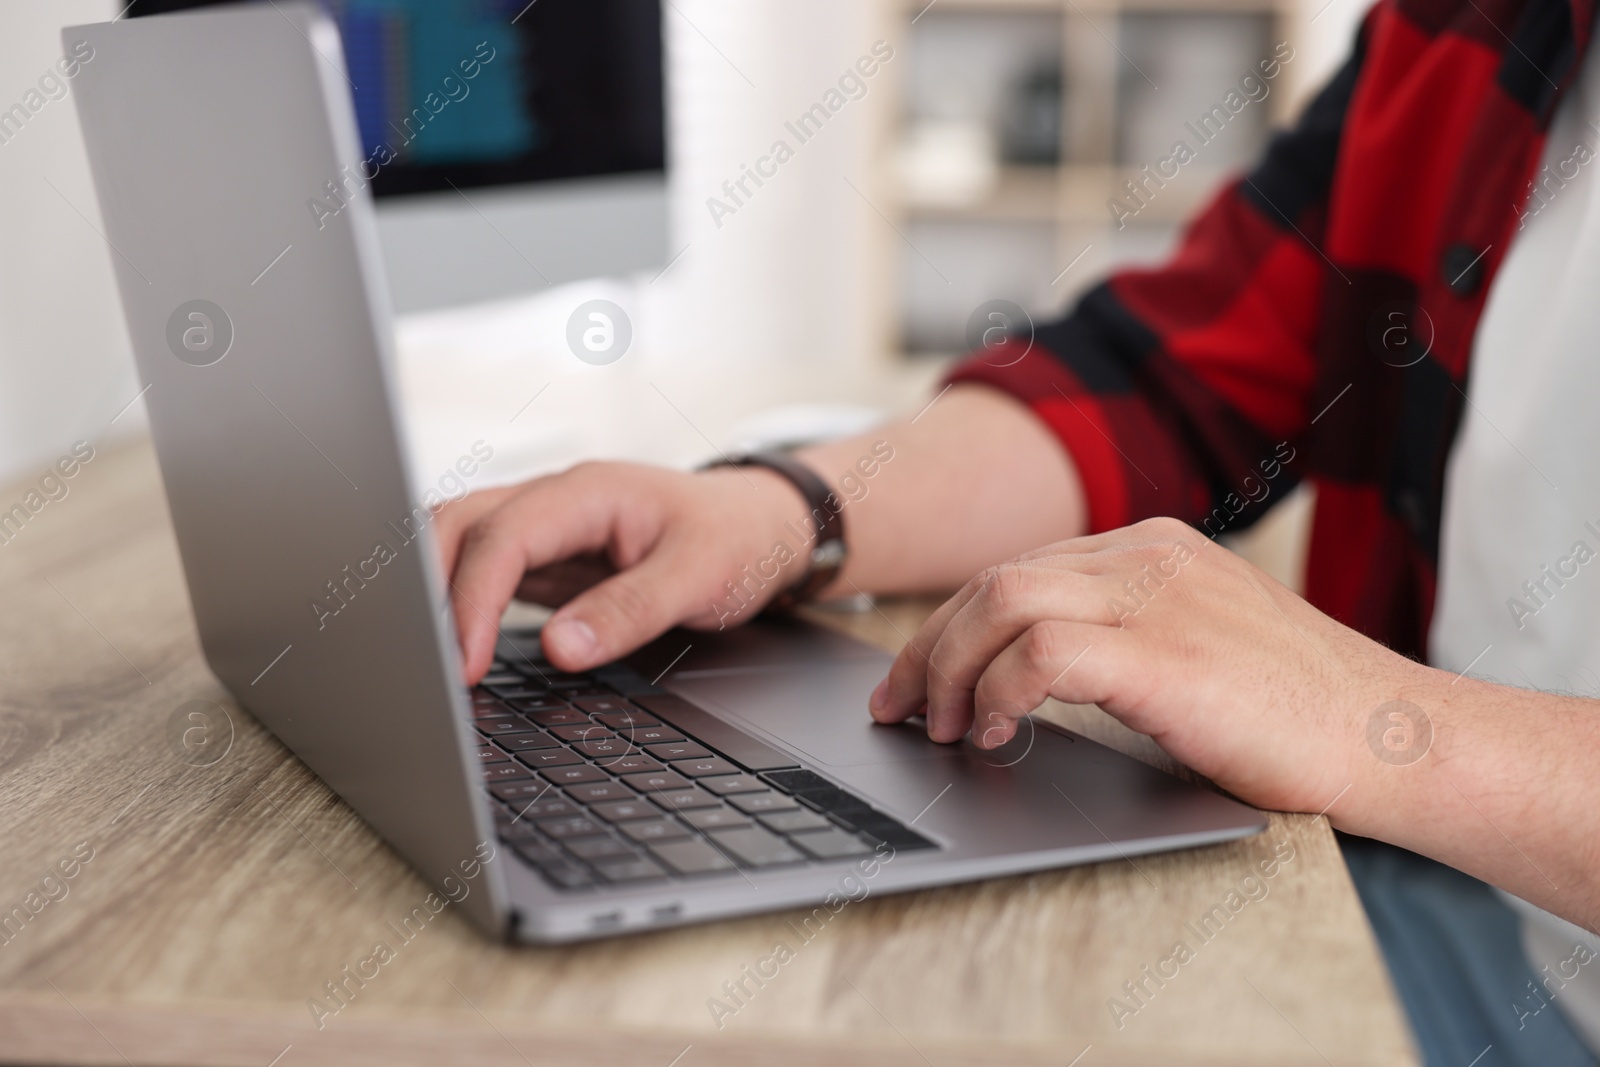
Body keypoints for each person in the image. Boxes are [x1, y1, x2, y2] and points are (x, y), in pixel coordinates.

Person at [437, 0, 1600, 1061]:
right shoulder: (1467, 26)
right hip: (1449, 893)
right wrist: (786, 510)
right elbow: (1168, 385)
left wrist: (1368, 716)